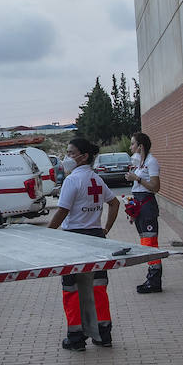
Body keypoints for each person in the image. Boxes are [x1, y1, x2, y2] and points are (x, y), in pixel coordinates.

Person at [47, 137, 120, 351]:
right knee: (98, 287)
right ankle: (103, 334)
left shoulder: (72, 180)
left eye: (71, 153)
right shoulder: (96, 179)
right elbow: (114, 203)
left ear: (84, 156)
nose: (67, 157)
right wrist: (105, 229)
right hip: (96, 237)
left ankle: (76, 337)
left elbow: (62, 211)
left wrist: (45, 235)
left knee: (72, 289)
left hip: (75, 240)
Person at [127, 132, 163, 293]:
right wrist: (132, 211)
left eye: (132, 144)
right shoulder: (139, 163)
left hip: (148, 205)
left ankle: (155, 281)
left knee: (150, 244)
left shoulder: (151, 162)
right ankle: (151, 278)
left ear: (140, 146)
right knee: (145, 243)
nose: (130, 147)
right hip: (140, 205)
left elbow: (155, 187)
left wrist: (137, 178)